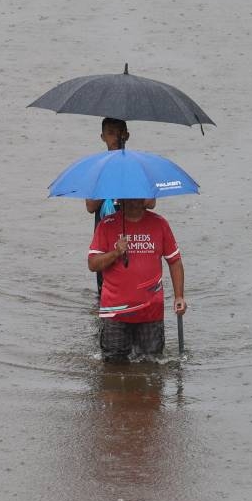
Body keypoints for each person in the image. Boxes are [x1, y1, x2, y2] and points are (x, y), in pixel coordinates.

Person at [87, 198, 186, 362]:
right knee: (112, 370)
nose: (135, 202)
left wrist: (179, 296)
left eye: (139, 197)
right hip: (114, 313)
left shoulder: (160, 224)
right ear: (121, 200)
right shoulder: (106, 225)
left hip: (150, 312)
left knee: (152, 366)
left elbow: (174, 261)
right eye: (130, 198)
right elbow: (92, 264)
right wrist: (116, 253)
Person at [85, 118, 155, 296]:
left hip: (134, 238)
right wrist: (110, 179)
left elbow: (150, 202)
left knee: (134, 285)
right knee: (105, 291)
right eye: (110, 133)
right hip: (105, 239)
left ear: (127, 135)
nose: (115, 137)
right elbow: (90, 206)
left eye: (119, 132)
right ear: (102, 137)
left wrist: (128, 191)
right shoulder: (98, 167)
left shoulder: (135, 165)